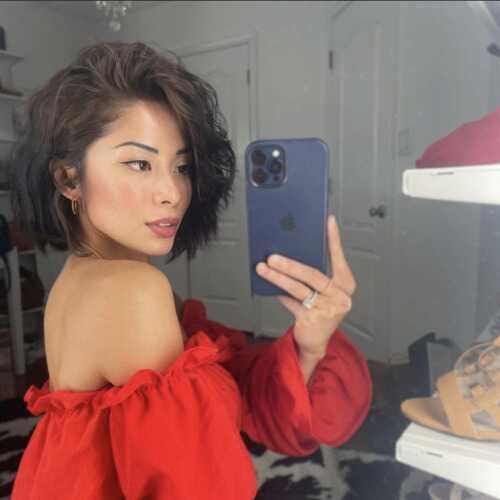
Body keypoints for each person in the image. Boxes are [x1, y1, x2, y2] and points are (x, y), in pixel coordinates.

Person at [9, 41, 372, 499]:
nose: (173, 192)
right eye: (139, 163)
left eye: (181, 166)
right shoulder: (130, 290)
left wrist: (310, 344)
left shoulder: (83, 275)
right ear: (69, 178)